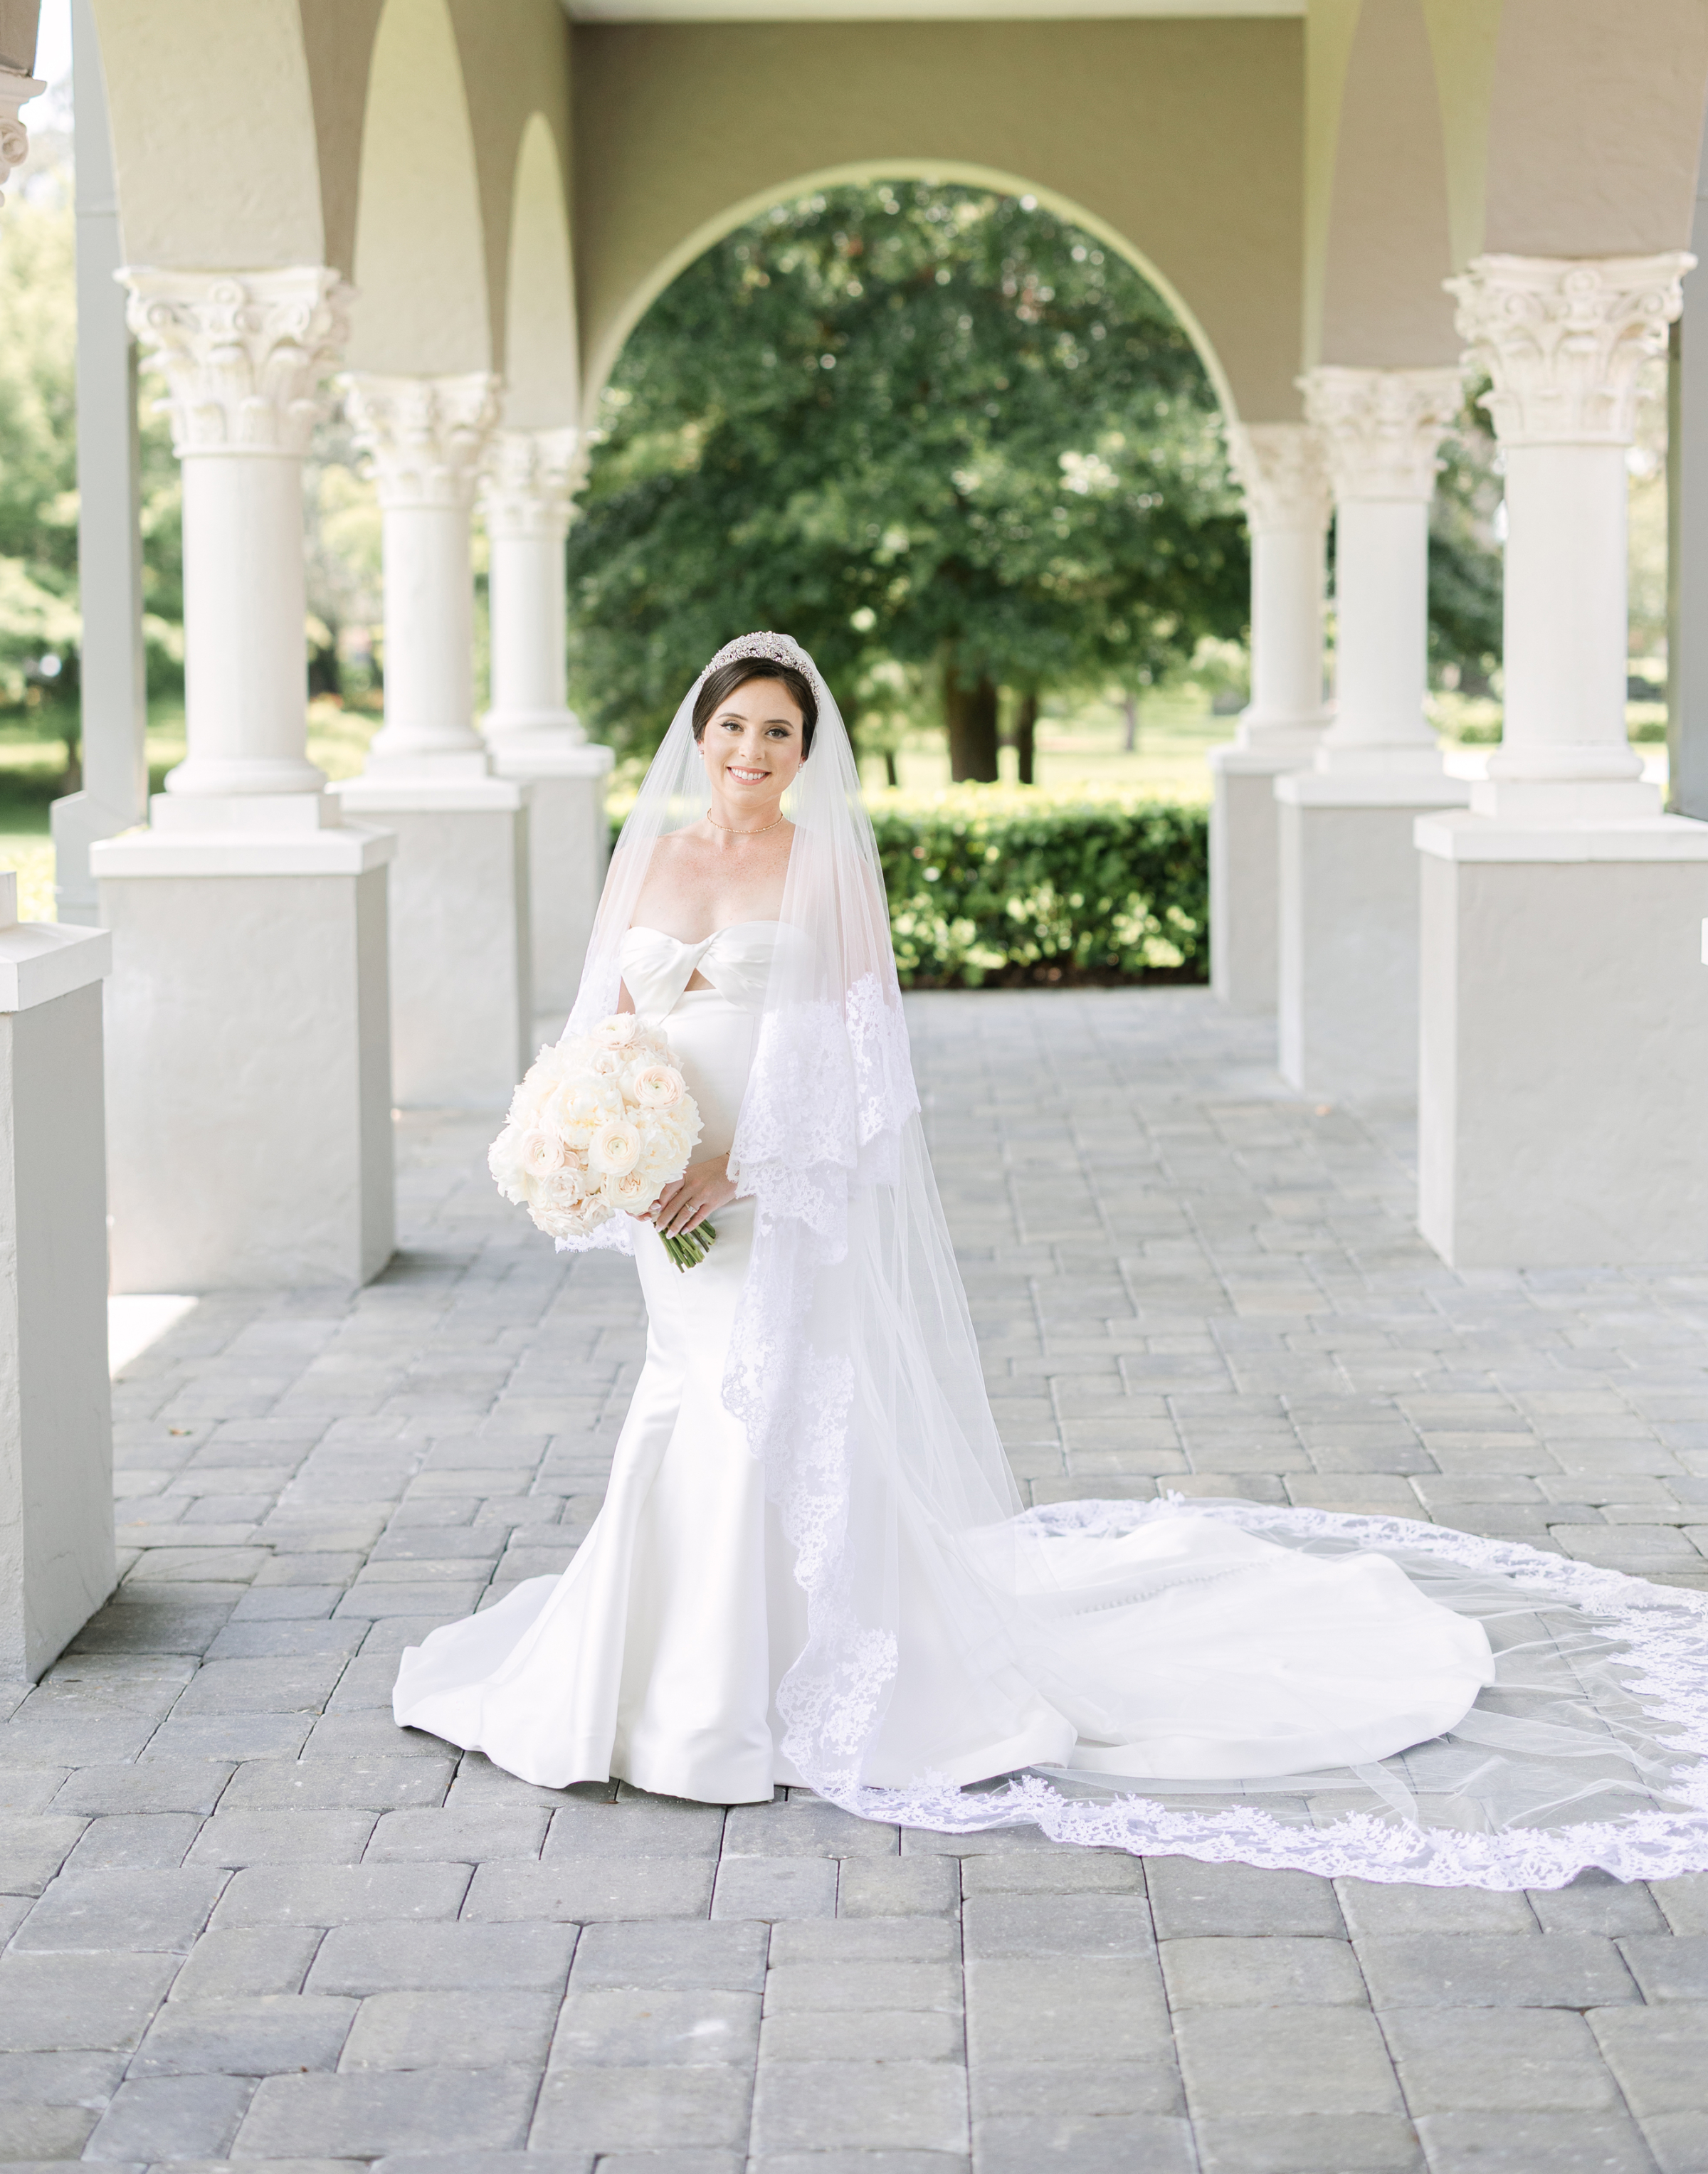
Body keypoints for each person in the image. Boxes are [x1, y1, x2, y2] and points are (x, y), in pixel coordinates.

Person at [397, 633, 1708, 1889]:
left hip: (769, 1184)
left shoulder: (824, 868)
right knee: (685, 1402)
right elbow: (604, 1035)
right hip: (661, 1188)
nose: (752, 748)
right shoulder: (650, 864)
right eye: (734, 726)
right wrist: (606, 1156)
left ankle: (777, 1693)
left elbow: (866, 1068)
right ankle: (653, 1687)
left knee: (777, 1403)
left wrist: (742, 1169)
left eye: (779, 731)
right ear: (700, 733)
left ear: (808, 752)